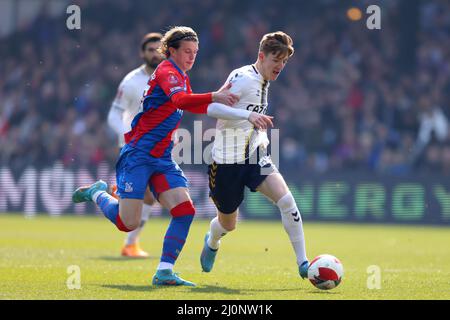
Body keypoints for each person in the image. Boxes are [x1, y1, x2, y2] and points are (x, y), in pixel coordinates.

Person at [72, 26, 271, 286]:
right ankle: (98, 192)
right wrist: (215, 95)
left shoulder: (182, 76)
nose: (192, 57)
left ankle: (164, 271)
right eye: (187, 51)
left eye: (195, 52)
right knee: (127, 223)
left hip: (162, 158)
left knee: (184, 209)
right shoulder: (167, 71)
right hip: (139, 154)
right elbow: (180, 101)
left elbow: (195, 103)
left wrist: (224, 106)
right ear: (172, 50)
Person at [200, 31, 310, 280]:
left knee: (287, 202)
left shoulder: (264, 80)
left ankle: (304, 263)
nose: (280, 66)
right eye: (276, 59)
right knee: (228, 224)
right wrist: (247, 116)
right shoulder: (242, 78)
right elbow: (212, 107)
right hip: (226, 163)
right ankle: (213, 240)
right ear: (261, 56)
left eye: (284, 61)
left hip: (254, 155)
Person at [107, 32, 164, 258]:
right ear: (143, 53)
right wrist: (126, 136)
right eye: (150, 50)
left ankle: (130, 243)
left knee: (149, 197)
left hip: (159, 146)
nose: (155, 54)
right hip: (135, 147)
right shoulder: (131, 81)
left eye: (159, 49)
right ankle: (106, 195)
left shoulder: (170, 78)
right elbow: (114, 114)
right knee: (146, 195)